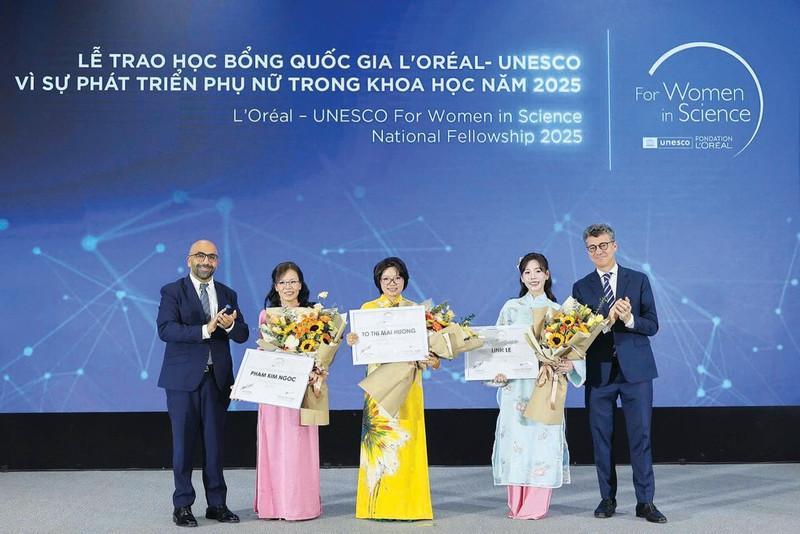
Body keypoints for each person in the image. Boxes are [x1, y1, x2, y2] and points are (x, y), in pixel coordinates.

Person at [572, 223, 667, 524]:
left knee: (641, 436)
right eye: (592, 248)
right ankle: (607, 499)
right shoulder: (581, 287)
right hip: (599, 374)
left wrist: (629, 319)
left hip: (636, 373)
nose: (598, 251)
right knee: (601, 438)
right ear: (587, 252)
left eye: (603, 245)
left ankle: (645, 502)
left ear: (614, 245)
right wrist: (606, 320)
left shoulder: (637, 280)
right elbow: (579, 334)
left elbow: (652, 325)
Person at [156, 239, 249, 527]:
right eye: (200, 256)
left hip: (217, 380)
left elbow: (243, 333)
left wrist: (229, 326)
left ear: (217, 262)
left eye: (212, 257)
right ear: (189, 260)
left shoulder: (228, 293)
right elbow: (166, 329)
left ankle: (217, 504)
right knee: (183, 445)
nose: (206, 261)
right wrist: (205, 329)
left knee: (214, 445)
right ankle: (183, 505)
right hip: (182, 381)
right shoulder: (172, 291)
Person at [487, 253, 585, 519]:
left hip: (545, 385)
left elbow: (575, 351)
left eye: (538, 271)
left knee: (542, 443)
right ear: (521, 277)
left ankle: (535, 506)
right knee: (516, 443)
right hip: (516, 388)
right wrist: (497, 373)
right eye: (527, 272)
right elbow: (496, 345)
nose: (533, 276)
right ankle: (516, 504)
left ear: (547, 275)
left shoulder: (560, 311)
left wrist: (569, 366)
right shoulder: (511, 308)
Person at [345, 257, 440, 520]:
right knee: (381, 444)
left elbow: (434, 356)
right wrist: (354, 340)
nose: (392, 283)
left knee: (408, 442)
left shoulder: (416, 312)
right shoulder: (368, 309)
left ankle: (410, 506)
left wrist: (432, 358)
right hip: (379, 386)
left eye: (397, 278)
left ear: (404, 280)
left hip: (409, 386)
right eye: (386, 278)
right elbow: (364, 349)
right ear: (378, 282)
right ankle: (378, 506)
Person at [253, 262, 322, 520]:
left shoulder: (313, 315)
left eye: (293, 281)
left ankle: (300, 505)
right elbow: (261, 352)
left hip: (302, 391)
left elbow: (321, 351)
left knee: (300, 446)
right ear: (275, 287)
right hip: (273, 392)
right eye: (282, 282)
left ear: (300, 284)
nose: (288, 287)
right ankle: (274, 505)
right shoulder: (266, 316)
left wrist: (318, 369)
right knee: (274, 445)